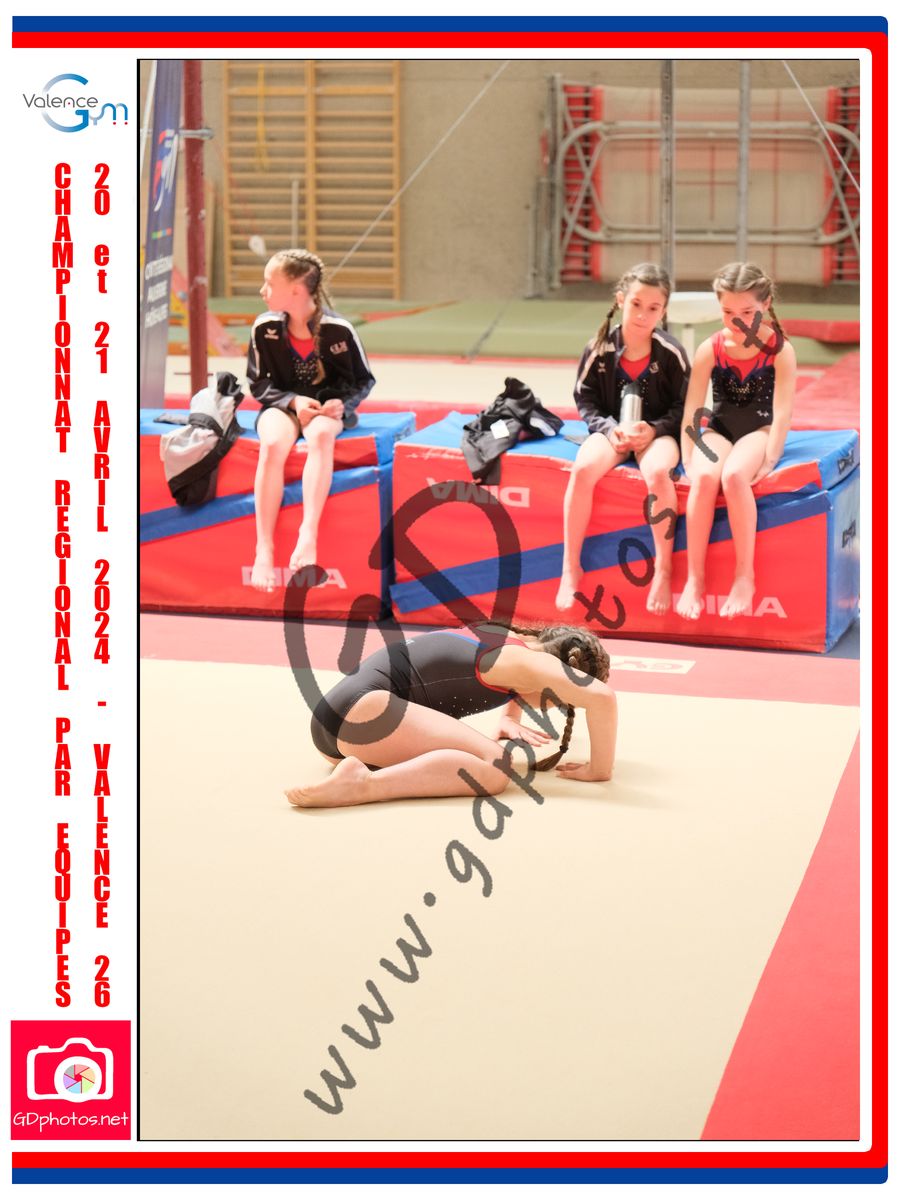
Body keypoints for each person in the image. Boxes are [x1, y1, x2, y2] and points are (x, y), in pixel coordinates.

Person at [285, 623, 616, 808]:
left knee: (480, 759)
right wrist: (599, 770)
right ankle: (364, 784)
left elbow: (515, 680)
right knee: (496, 767)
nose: (552, 709)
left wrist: (509, 718)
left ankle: (358, 773)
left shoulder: (509, 644)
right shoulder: (532, 663)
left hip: (334, 730)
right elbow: (603, 698)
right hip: (364, 715)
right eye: (563, 703)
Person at [556, 263, 690, 616]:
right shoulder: (599, 348)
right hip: (612, 431)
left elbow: (686, 406)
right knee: (582, 469)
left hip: (658, 433)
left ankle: (663, 568)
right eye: (636, 304)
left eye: (653, 308)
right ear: (620, 300)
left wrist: (655, 429)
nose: (643, 315)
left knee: (658, 473)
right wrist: (608, 427)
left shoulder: (671, 353)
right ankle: (570, 566)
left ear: (664, 311)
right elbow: (585, 399)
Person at [247, 249, 375, 591]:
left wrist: (341, 404)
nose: (262, 290)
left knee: (320, 436)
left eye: (269, 283)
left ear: (295, 290)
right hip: (283, 405)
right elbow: (258, 383)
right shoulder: (265, 328)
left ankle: (308, 534)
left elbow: (364, 380)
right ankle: (264, 547)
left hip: (324, 410)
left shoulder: (338, 330)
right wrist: (291, 401)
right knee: (272, 443)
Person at [676, 262, 797, 621]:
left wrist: (770, 458)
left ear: (766, 304)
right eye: (728, 312)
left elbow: (783, 412)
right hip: (720, 428)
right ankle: (695, 578)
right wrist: (687, 457)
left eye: (747, 312)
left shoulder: (779, 350)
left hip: (760, 430)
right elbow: (692, 409)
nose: (737, 321)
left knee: (733, 476)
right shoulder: (711, 348)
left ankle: (745, 576)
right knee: (705, 477)